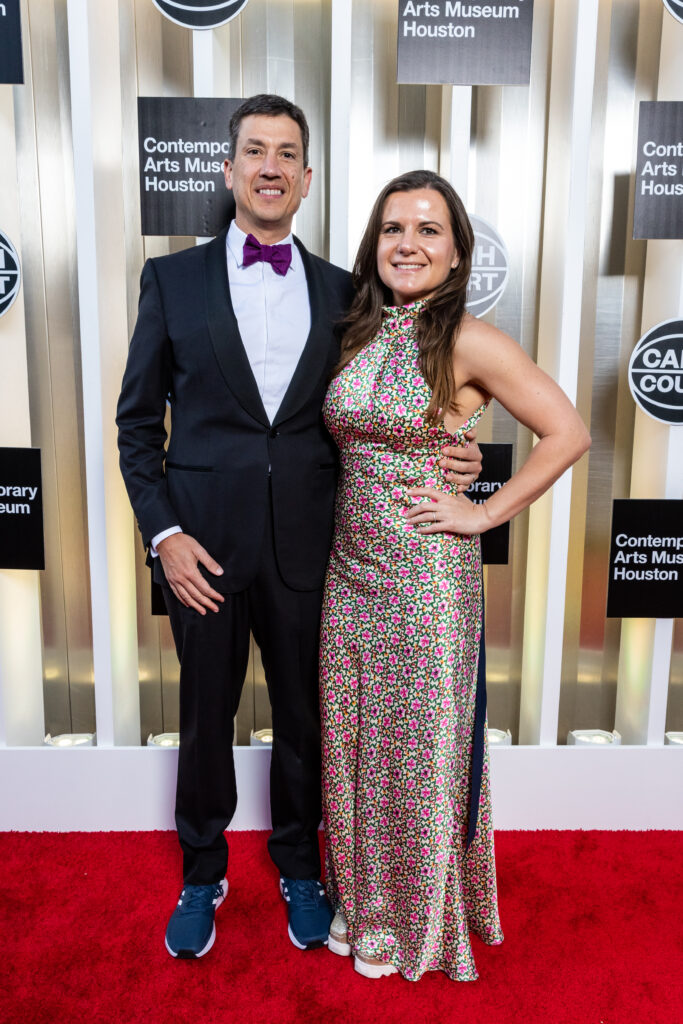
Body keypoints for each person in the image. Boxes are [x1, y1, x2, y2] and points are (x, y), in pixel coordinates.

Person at [117, 98, 483, 960]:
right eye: (254, 150)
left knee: (306, 720)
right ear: (229, 168)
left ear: (307, 178)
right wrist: (165, 535)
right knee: (205, 719)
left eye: (288, 153)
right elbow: (138, 427)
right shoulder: (170, 281)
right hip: (201, 551)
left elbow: (407, 398)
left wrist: (463, 460)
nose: (270, 166)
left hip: (320, 550)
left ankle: (300, 870)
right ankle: (201, 872)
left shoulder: (347, 294)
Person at [320, 169, 591, 981]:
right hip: (349, 572)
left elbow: (566, 432)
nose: (407, 244)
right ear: (374, 244)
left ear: (457, 252)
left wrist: (480, 509)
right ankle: (362, 902)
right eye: (393, 228)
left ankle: (415, 922)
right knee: (356, 741)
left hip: (424, 580)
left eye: (428, 230)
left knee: (417, 753)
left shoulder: (470, 338)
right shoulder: (359, 330)